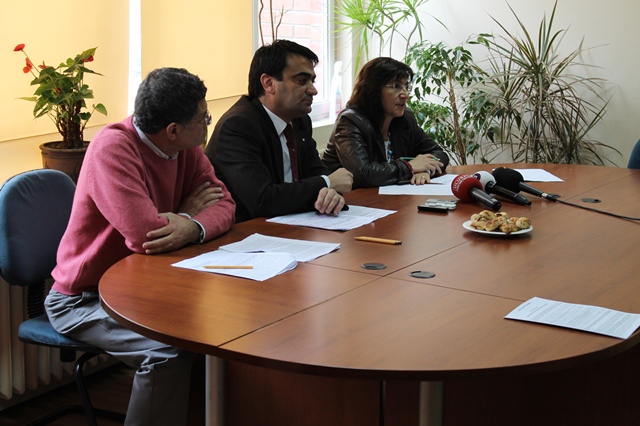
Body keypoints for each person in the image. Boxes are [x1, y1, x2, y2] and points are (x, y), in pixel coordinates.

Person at [44, 68, 236, 426]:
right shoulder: (113, 148)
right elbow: (145, 235)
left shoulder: (186, 148)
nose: (208, 123)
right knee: (167, 352)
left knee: (217, 330)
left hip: (146, 288)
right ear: (173, 130)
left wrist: (190, 225)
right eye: (203, 118)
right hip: (83, 299)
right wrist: (188, 213)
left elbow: (224, 203)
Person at [205, 39, 353, 223]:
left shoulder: (300, 121)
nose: (313, 90)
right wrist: (328, 183)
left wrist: (331, 195)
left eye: (312, 81)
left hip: (294, 224)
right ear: (268, 83)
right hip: (247, 231)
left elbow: (318, 176)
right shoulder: (238, 125)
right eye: (302, 81)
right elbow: (262, 200)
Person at [322, 57, 449, 188]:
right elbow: (364, 174)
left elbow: (438, 153)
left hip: (390, 196)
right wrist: (409, 167)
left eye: (406, 86)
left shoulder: (405, 119)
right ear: (373, 90)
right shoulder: (350, 122)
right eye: (396, 86)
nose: (405, 94)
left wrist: (425, 170)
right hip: (347, 197)